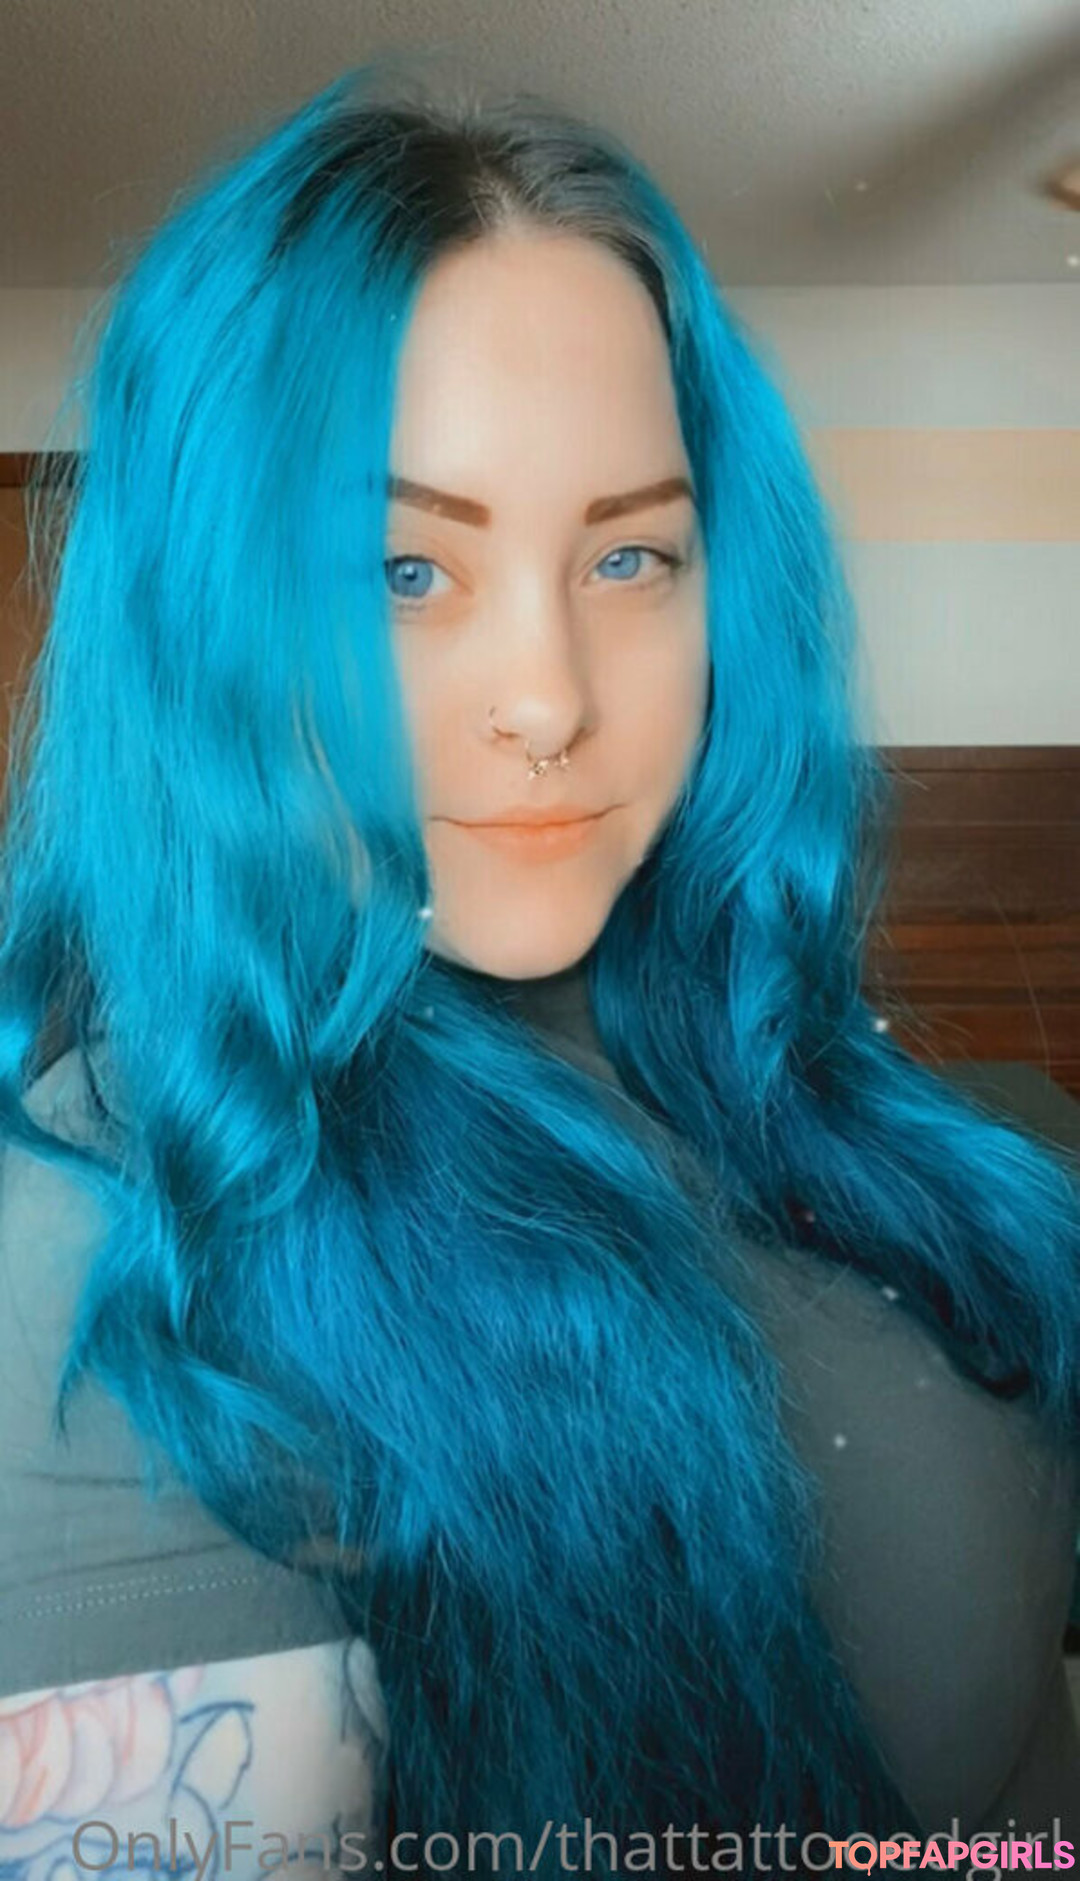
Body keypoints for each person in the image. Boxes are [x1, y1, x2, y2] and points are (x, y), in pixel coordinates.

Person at [2, 57, 1080, 1877]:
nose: (550, 700)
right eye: (406, 573)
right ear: (206, 622)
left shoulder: (769, 1060)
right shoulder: (106, 1252)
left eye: (630, 556)